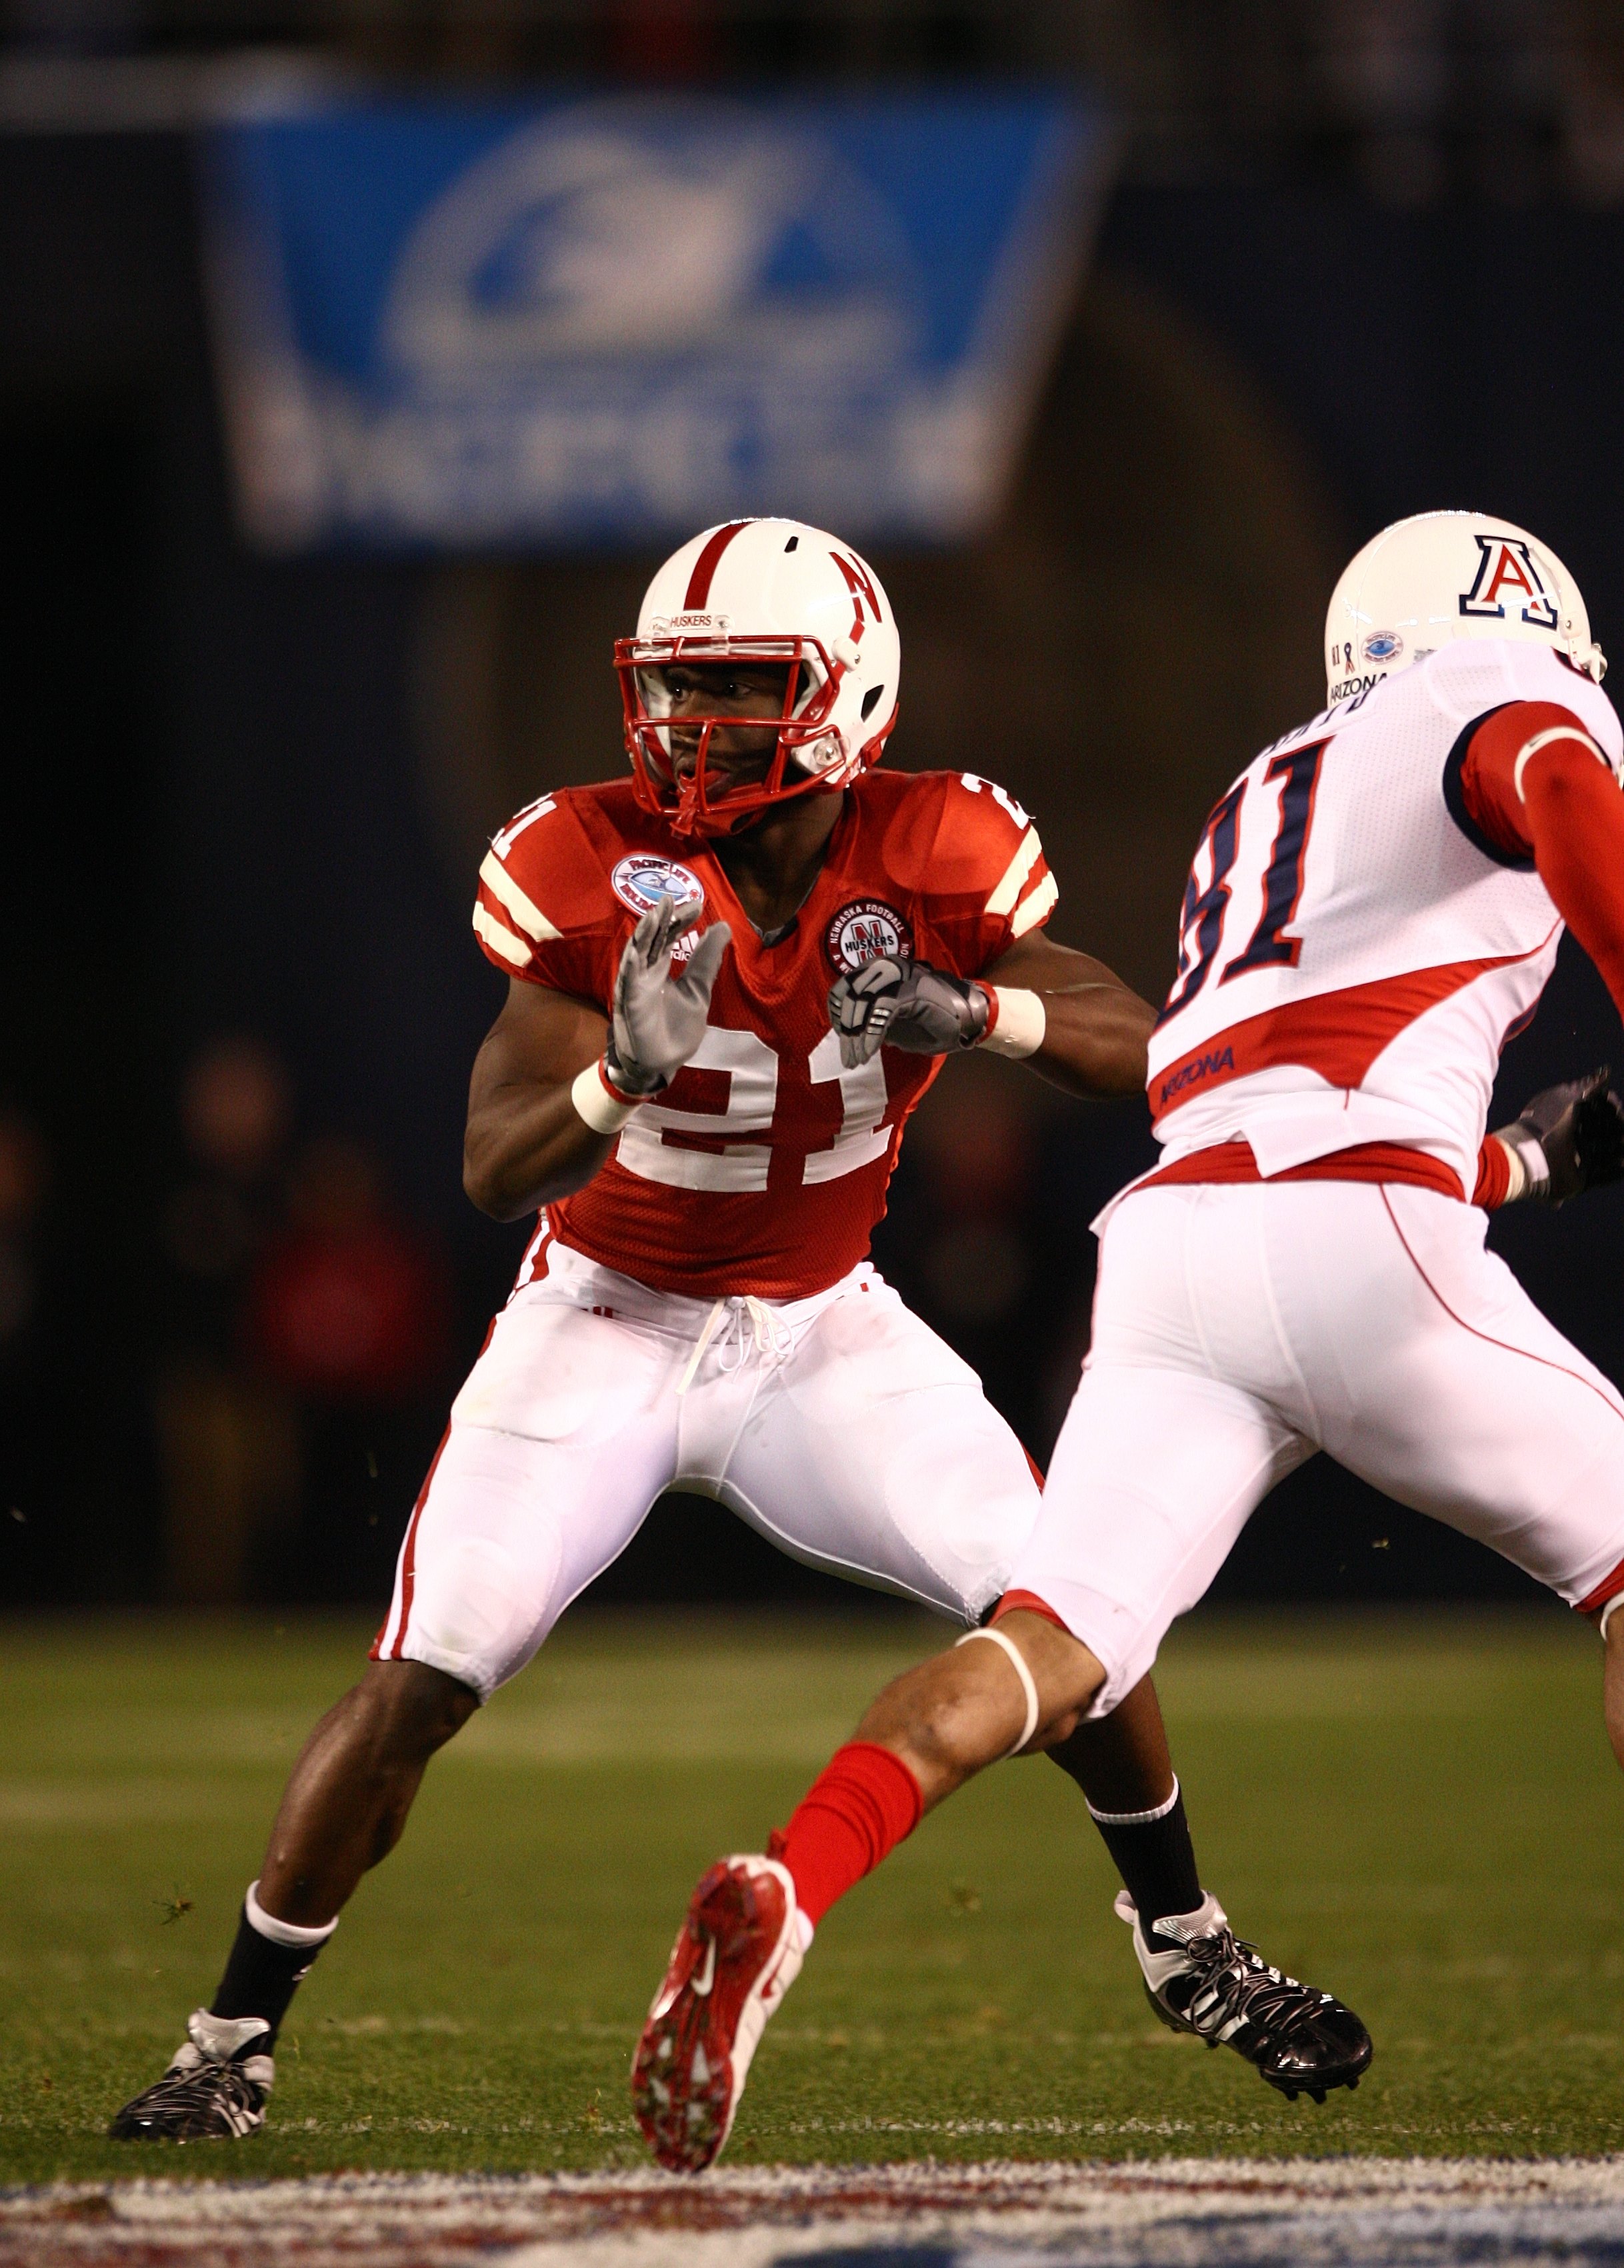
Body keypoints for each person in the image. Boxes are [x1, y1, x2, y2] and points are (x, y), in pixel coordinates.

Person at [109, 517, 1598, 2145]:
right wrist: (619, 1070)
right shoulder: (585, 860)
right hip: (601, 1318)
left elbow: (1146, 1040)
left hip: (825, 1328)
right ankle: (227, 2038)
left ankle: (1186, 1947)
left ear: (846, 697)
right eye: (681, 688)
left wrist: (986, 1016)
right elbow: (487, 1165)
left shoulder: (938, 846)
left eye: (745, 685)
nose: (698, 725)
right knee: (425, 1678)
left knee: (1066, 1612)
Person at [631, 509, 1624, 2175]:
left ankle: (788, 1891)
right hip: (1361, 1234)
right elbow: (1556, 784)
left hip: (1174, 1258)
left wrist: (1524, 1160)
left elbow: (1267, 1089)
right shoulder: (1509, 687)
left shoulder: (1265, 791)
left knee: (1040, 1650)